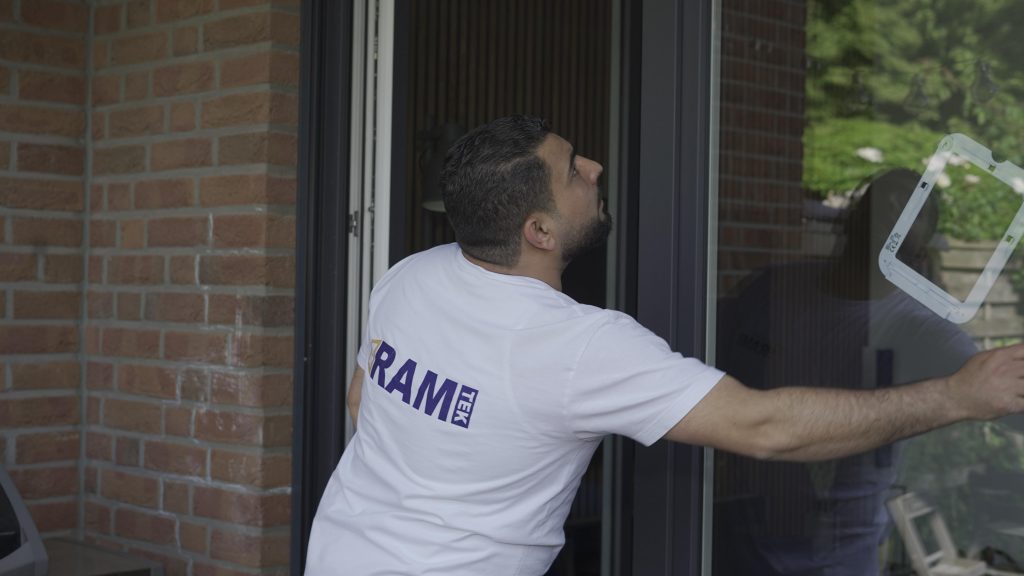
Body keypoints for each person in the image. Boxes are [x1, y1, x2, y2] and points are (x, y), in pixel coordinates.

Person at [303, 116, 1024, 576]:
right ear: (539, 231)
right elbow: (763, 427)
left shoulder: (411, 275)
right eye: (573, 169)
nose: (595, 169)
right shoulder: (577, 346)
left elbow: (364, 400)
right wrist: (956, 396)